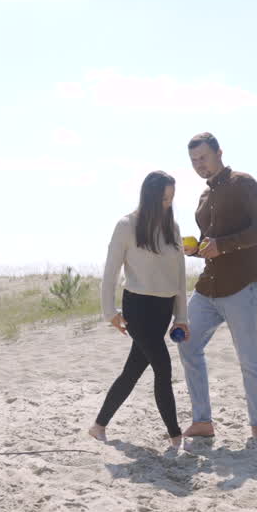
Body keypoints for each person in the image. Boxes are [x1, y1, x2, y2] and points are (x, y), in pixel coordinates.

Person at [178, 132, 257, 441]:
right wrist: (198, 249)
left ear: (219, 152)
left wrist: (224, 245)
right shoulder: (204, 197)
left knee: (248, 358)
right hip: (208, 286)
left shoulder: (243, 182)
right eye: (194, 161)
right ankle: (203, 422)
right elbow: (211, 242)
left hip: (241, 284)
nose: (199, 165)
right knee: (186, 342)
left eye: (203, 158)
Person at [89, 171, 190, 450]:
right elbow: (110, 272)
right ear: (149, 197)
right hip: (138, 307)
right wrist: (110, 311)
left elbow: (180, 278)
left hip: (163, 310)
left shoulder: (173, 228)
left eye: (171, 199)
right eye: (163, 199)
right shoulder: (126, 225)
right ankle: (176, 436)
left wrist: (181, 318)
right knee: (163, 367)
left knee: (133, 370)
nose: (167, 204)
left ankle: (98, 427)